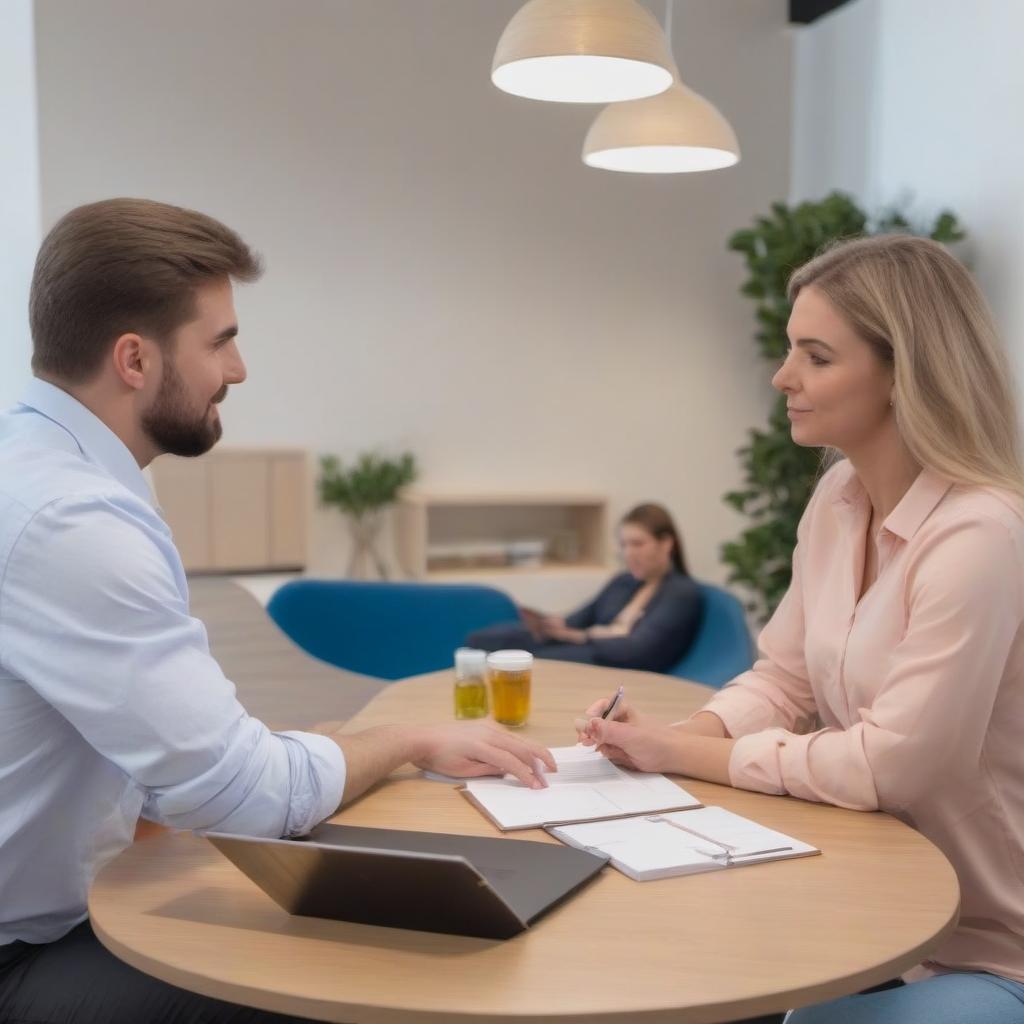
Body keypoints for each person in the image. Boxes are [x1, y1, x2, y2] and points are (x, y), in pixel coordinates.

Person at [0, 198, 556, 1024]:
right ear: (133, 359)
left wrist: (305, 752)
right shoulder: (74, 524)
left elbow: (169, 767)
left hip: (54, 912)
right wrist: (402, 740)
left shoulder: (35, 467)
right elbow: (240, 797)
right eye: (220, 341)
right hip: (24, 952)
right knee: (371, 984)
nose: (240, 369)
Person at [578, 236, 1024, 1022]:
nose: (782, 378)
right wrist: (678, 737)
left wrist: (686, 754)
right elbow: (783, 677)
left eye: (815, 357)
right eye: (791, 351)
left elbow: (894, 767)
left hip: (990, 944)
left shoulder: (980, 534)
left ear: (903, 374)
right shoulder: (838, 499)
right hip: (881, 904)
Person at [467, 503, 702, 672]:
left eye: (638, 544)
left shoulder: (681, 593)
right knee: (490, 639)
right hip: (592, 647)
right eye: (624, 545)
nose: (628, 554)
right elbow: (579, 618)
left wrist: (582, 637)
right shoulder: (623, 582)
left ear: (666, 543)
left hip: (612, 663)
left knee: (527, 660)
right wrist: (552, 624)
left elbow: (638, 650)